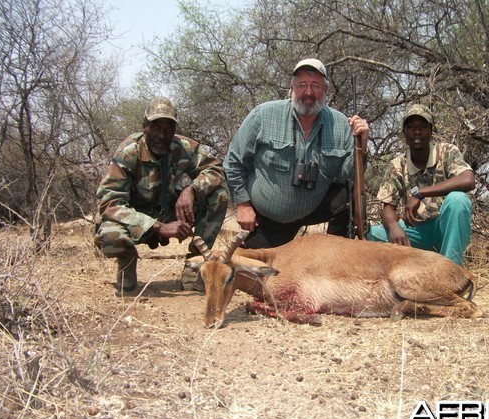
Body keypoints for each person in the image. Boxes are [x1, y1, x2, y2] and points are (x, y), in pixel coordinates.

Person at [223, 58, 369, 248]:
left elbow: (348, 176)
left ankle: (333, 256)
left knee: (345, 197)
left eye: (315, 85)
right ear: (291, 88)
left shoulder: (340, 124)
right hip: (267, 220)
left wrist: (362, 146)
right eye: (302, 85)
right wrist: (243, 205)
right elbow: (233, 162)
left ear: (325, 90)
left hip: (312, 209)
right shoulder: (263, 114)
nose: (308, 92)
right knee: (250, 271)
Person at [94, 96, 229, 293]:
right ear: (144, 127)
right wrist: (157, 226)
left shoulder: (183, 147)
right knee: (110, 235)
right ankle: (126, 262)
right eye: (156, 127)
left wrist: (191, 189)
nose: (162, 135)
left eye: (168, 129)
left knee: (218, 195)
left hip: (170, 211)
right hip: (136, 218)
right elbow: (109, 202)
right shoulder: (128, 152)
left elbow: (216, 170)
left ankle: (194, 267)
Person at [367, 104, 475, 266]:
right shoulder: (397, 165)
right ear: (404, 133)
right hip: (416, 232)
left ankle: (451, 269)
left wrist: (420, 193)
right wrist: (394, 225)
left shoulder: (446, 152)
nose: (417, 132)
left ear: (431, 130)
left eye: (422, 127)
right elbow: (387, 209)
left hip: (444, 229)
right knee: (371, 234)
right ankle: (409, 269)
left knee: (458, 200)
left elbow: (468, 179)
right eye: (411, 127)